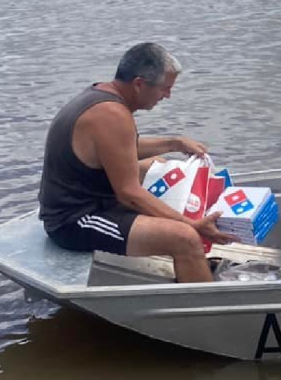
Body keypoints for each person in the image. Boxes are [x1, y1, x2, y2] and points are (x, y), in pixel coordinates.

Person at [38, 42, 236, 282]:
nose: (167, 96)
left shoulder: (101, 96)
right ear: (140, 84)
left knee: (156, 164)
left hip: (94, 200)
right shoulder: (112, 115)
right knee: (185, 238)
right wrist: (191, 224)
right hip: (75, 220)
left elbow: (118, 149)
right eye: (165, 88)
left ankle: (190, 265)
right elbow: (128, 194)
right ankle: (206, 311)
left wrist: (175, 143)